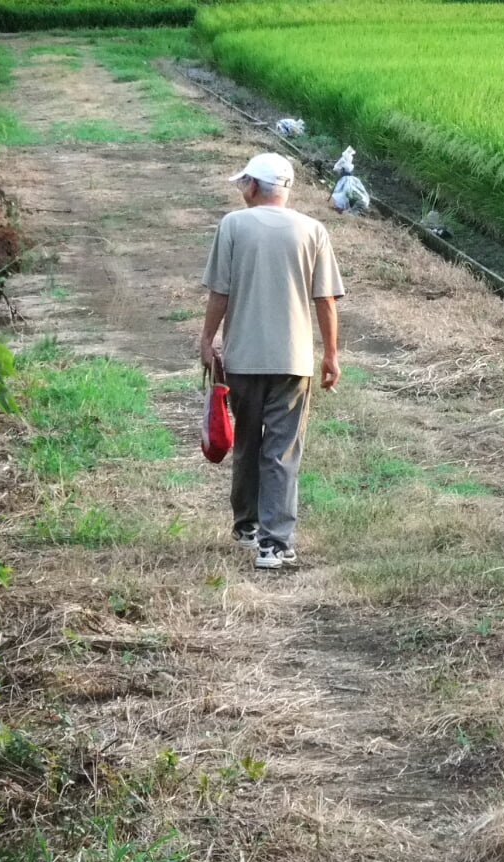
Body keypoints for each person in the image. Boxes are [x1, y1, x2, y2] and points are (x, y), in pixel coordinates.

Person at [199, 152, 344, 570]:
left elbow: (220, 293)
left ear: (252, 186)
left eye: (243, 183)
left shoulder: (233, 225)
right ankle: (275, 544)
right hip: (292, 360)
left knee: (247, 440)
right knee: (282, 450)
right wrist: (330, 353)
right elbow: (325, 300)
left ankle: (246, 526)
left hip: (243, 358)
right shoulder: (312, 230)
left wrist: (207, 340)